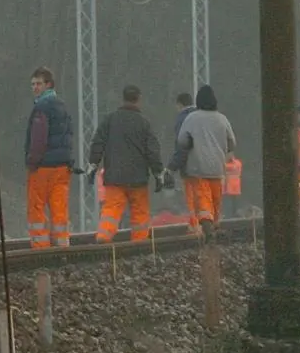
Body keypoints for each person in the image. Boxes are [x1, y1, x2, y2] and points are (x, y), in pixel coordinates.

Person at [88, 85, 164, 244]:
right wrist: (158, 174)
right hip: (138, 178)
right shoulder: (144, 123)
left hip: (114, 176)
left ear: (123, 98)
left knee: (111, 209)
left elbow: (98, 143)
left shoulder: (110, 120)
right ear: (139, 99)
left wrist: (93, 164)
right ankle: (139, 244)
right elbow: (152, 152)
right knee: (139, 213)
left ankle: (103, 237)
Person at [176, 85, 237, 241]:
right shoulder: (222, 119)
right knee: (216, 199)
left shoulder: (191, 118)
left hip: (197, 167)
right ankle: (214, 224)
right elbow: (232, 143)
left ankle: (207, 226)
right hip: (217, 167)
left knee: (203, 199)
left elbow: (182, 141)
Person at [24, 67, 73, 249]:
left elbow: (38, 138)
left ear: (48, 84)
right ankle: (62, 244)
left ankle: (41, 246)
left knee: (36, 206)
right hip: (62, 167)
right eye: (33, 84)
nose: (35, 88)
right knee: (59, 207)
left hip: (42, 167)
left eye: (38, 84)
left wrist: (32, 161)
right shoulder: (62, 106)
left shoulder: (41, 107)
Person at [166, 92, 197, 222]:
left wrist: (171, 167)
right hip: (210, 167)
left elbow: (182, 146)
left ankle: (196, 228)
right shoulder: (203, 116)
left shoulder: (182, 119)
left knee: (193, 201)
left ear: (179, 104)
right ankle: (209, 228)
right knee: (206, 200)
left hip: (190, 167)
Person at [223, 155, 242, 219]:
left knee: (232, 202)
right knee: (232, 202)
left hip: (232, 187)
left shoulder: (235, 164)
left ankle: (233, 214)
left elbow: (226, 167)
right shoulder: (238, 163)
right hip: (231, 187)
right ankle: (233, 214)